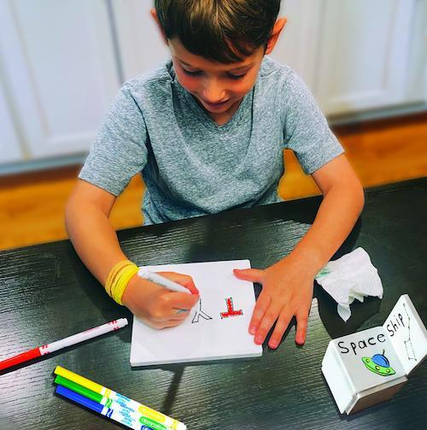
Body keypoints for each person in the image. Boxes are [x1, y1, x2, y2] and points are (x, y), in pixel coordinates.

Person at [66, 0, 364, 350]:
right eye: (191, 70)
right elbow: (84, 208)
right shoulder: (141, 102)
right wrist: (125, 284)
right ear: (163, 32)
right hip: (168, 254)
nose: (213, 93)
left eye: (236, 73)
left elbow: (345, 188)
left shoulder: (282, 90)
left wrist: (302, 264)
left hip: (265, 251)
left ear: (271, 39)